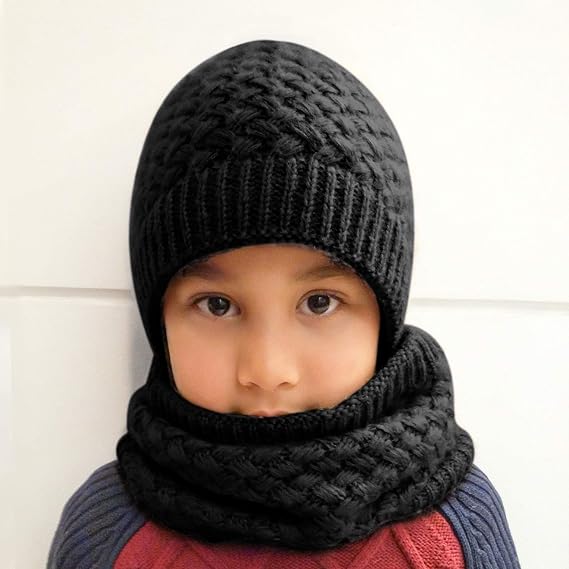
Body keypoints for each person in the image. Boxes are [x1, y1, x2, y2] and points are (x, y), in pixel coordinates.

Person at [47, 39, 521, 568]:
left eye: (319, 302)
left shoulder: (456, 531)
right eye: (217, 305)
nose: (268, 371)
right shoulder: (107, 529)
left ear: (384, 317)